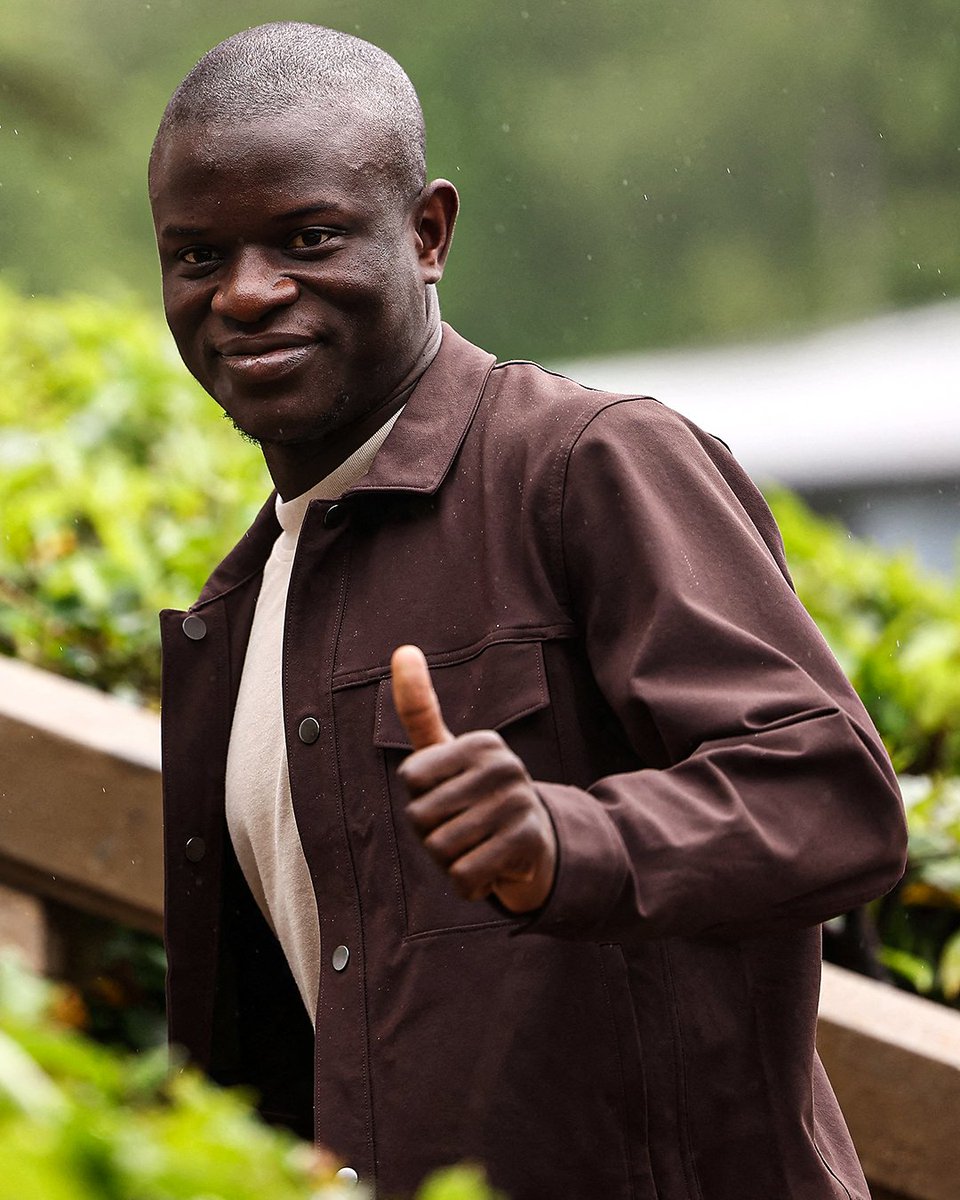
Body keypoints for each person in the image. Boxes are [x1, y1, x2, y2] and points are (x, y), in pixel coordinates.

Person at [150, 22, 906, 1200]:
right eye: (197, 256)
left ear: (428, 232)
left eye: (309, 237)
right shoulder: (240, 612)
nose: (246, 294)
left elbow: (832, 796)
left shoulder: (589, 464)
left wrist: (568, 840)